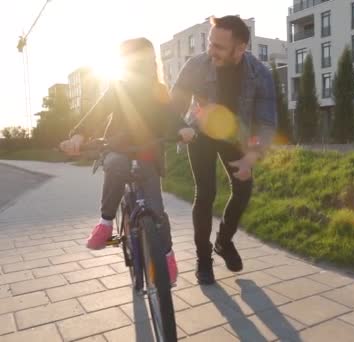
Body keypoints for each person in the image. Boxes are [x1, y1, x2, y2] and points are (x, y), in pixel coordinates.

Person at [59, 37, 196, 284]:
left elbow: (170, 115)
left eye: (146, 60)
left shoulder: (159, 90)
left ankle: (167, 255)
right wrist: (79, 135)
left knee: (157, 210)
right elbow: (97, 113)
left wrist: (183, 128)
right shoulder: (118, 87)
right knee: (115, 166)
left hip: (147, 152)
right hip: (119, 148)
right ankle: (106, 223)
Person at [170, 15, 277, 285]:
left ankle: (223, 240)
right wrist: (177, 129)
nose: (210, 51)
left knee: (244, 187)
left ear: (240, 49)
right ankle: (203, 260)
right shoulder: (196, 65)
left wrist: (251, 156)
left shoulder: (260, 74)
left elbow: (265, 122)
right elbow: (174, 106)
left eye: (219, 46)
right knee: (205, 193)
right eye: (210, 42)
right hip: (201, 133)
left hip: (234, 136)